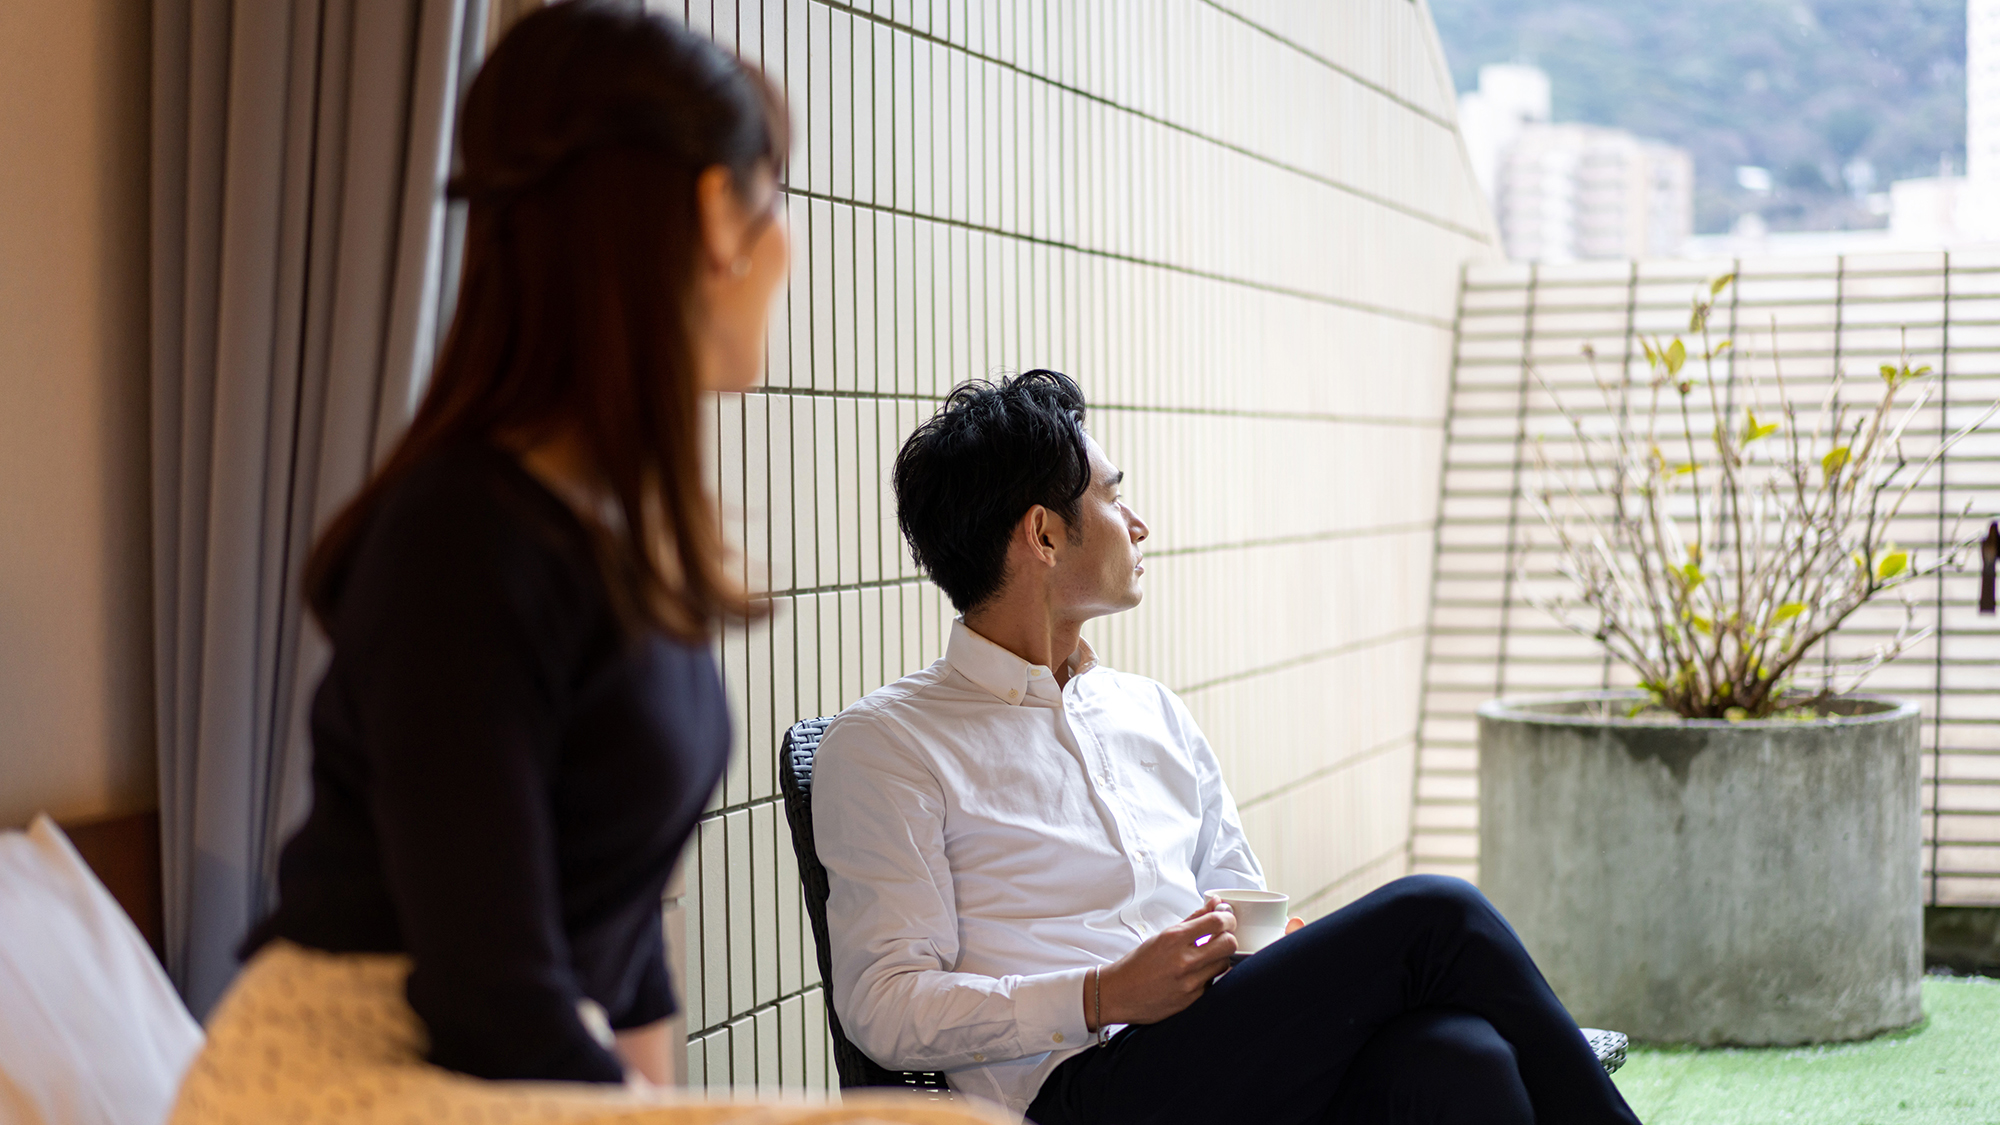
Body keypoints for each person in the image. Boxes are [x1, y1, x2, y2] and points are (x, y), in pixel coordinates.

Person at [169, 6, 1005, 1124]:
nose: (790, 243)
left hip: (500, 1061)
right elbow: (490, 988)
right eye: (779, 194)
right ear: (718, 213)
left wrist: (649, 1102)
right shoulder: (459, 536)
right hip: (343, 1074)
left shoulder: (627, 547)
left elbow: (621, 942)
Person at [812, 370, 1645, 1125]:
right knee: (1436, 911)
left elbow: (1237, 897)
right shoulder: (889, 744)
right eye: (1111, 497)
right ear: (1044, 534)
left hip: (1218, 1052)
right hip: (1079, 1091)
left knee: (1463, 1058)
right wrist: (1101, 993)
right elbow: (885, 1004)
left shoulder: (1151, 712)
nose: (1138, 524)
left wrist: (1268, 946)